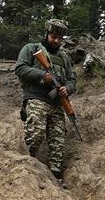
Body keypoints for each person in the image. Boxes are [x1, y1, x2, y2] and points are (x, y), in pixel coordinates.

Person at [14, 19, 77, 187]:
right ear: (47, 34)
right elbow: (20, 69)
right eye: (53, 36)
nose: (56, 41)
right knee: (36, 133)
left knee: (58, 141)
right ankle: (26, 165)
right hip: (36, 96)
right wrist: (43, 76)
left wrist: (67, 89)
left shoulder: (64, 57)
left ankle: (56, 176)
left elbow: (72, 79)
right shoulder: (31, 49)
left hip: (57, 102)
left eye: (59, 38)